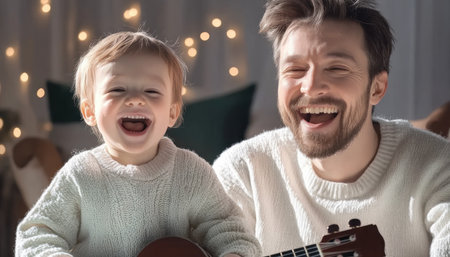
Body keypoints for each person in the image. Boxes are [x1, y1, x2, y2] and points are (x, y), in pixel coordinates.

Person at [213, 0, 450, 256]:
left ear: (376, 88)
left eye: (337, 68)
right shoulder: (242, 173)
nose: (311, 86)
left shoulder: (439, 167)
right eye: (295, 69)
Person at [15, 31, 261, 257]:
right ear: (89, 111)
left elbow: (230, 230)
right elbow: (35, 235)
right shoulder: (80, 175)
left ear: (173, 112)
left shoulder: (191, 172)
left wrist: (234, 253)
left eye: (152, 92)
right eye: (117, 89)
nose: (135, 99)